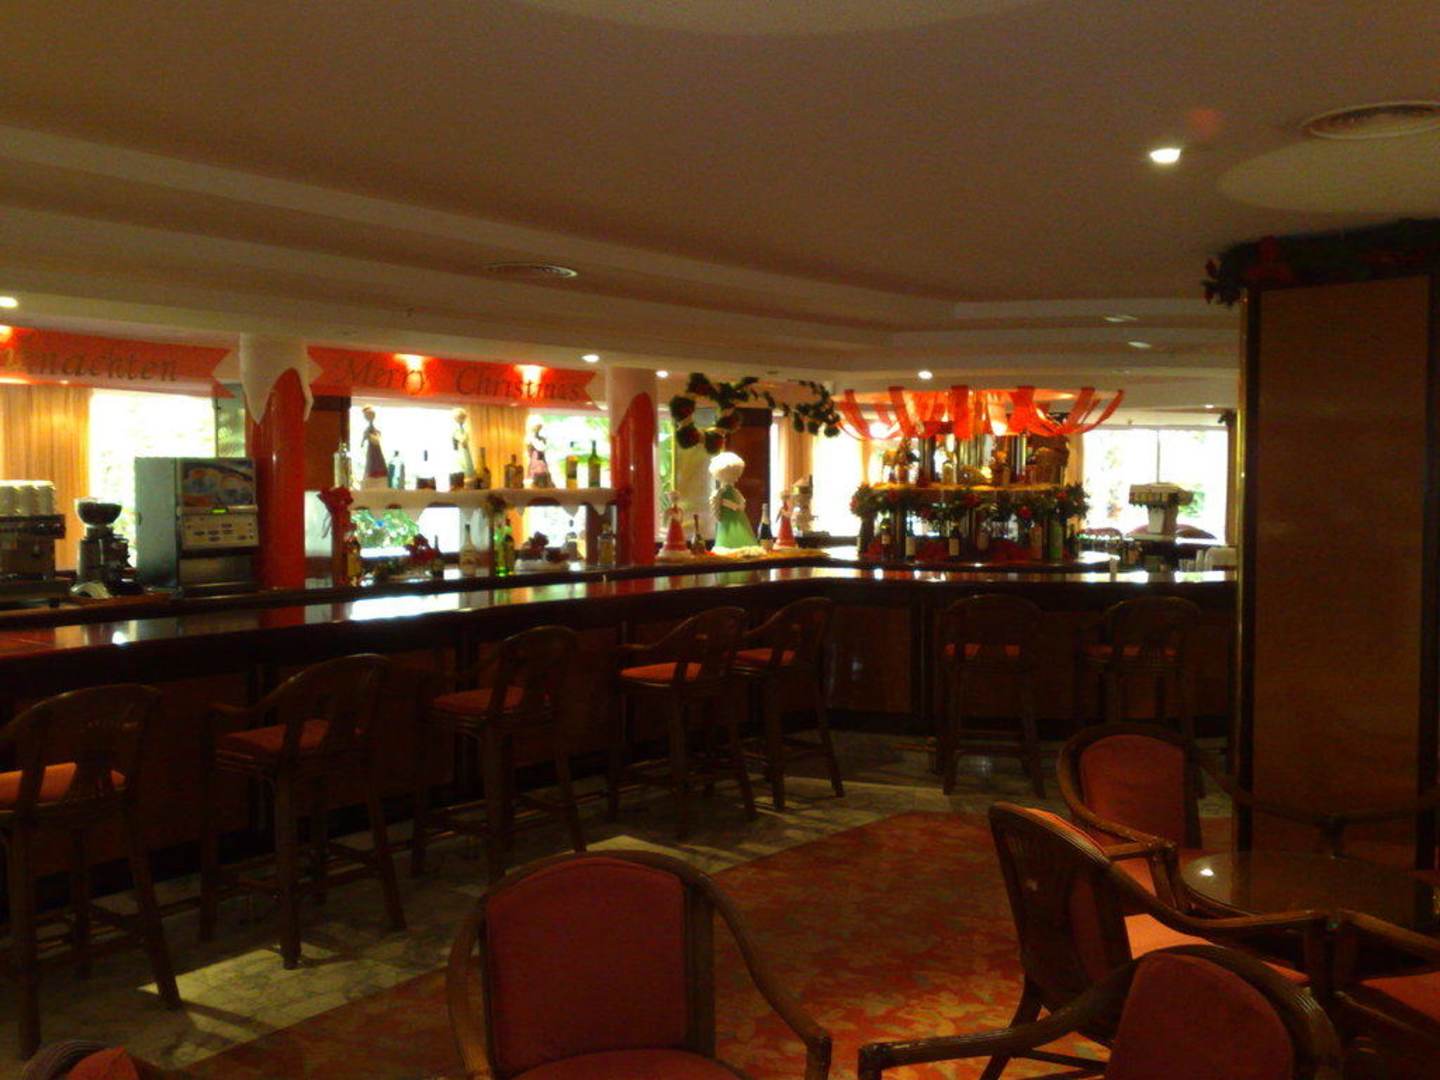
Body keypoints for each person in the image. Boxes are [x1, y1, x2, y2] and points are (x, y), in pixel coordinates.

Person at [709, 451, 758, 553]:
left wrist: (740, 505)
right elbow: (720, 501)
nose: (734, 478)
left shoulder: (734, 491)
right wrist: (733, 506)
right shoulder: (721, 491)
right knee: (728, 531)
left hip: (738, 514)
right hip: (727, 515)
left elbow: (741, 499)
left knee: (740, 530)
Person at [360, 405, 388, 489]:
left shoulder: (374, 429)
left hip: (375, 452)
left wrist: (368, 436)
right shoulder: (368, 429)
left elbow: (376, 440)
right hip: (371, 452)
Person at [526, 418, 553, 487]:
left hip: (540, 459)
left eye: (539, 428)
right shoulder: (531, 440)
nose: (537, 430)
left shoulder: (542, 439)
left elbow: (542, 450)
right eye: (537, 428)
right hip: (535, 459)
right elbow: (530, 451)